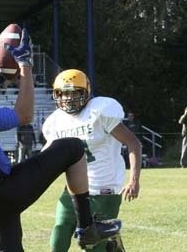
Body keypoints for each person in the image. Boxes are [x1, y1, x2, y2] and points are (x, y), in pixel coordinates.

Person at [0, 27, 121, 252]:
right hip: (3, 192)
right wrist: (25, 64)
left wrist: (1, 52)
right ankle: (87, 228)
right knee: (72, 148)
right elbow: (24, 115)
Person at [42, 69, 142, 252]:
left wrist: (133, 180)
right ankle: (112, 244)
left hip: (104, 189)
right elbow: (45, 159)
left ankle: (111, 245)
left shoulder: (99, 112)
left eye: (74, 93)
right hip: (73, 190)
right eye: (63, 93)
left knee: (92, 246)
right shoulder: (55, 121)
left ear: (86, 92)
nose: (68, 98)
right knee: (59, 233)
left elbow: (133, 143)